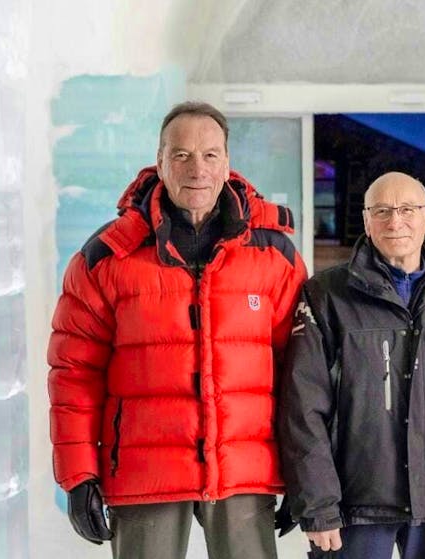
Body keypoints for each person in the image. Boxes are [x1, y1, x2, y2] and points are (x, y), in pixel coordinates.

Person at [47, 101, 307, 558]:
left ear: (227, 162)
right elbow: (73, 373)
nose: (197, 168)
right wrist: (78, 474)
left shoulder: (274, 256)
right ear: (160, 160)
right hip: (144, 465)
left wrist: (303, 471)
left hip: (245, 464)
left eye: (210, 155)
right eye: (182, 155)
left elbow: (303, 373)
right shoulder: (107, 258)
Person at [278, 172, 425, 558]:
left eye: (407, 209)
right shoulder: (327, 296)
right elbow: (302, 408)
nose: (395, 221)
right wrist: (317, 506)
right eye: (382, 211)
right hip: (354, 504)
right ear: (366, 220)